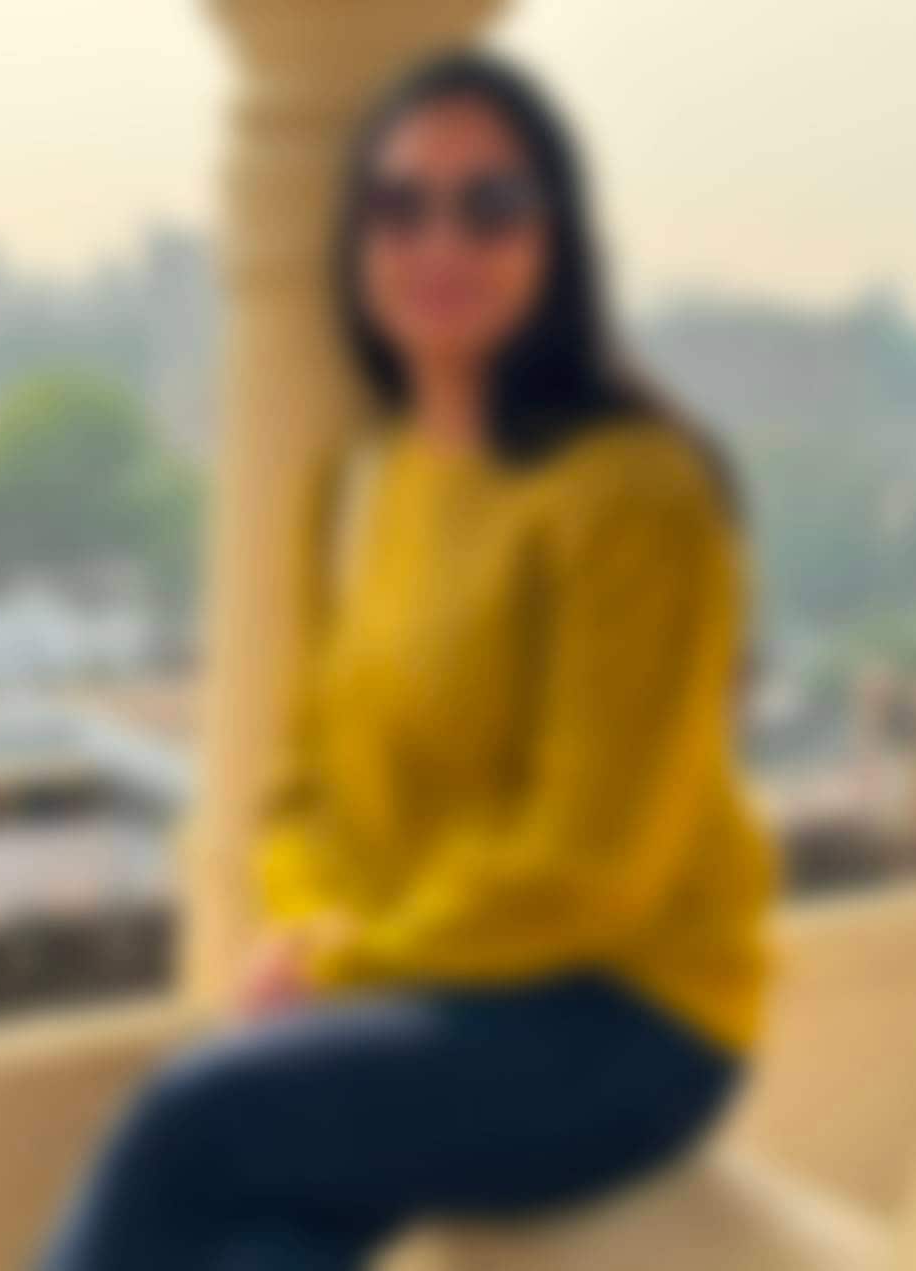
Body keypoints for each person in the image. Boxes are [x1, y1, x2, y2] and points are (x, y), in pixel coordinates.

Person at [41, 52, 775, 1271]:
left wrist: (345, 958)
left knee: (191, 1114)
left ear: (557, 238)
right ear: (355, 239)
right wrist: (314, 933)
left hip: (618, 1010)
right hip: (420, 988)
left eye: (490, 205)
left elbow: (588, 864)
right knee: (272, 1244)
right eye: (399, 206)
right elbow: (301, 790)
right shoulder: (361, 481)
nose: (440, 241)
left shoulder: (635, 495)